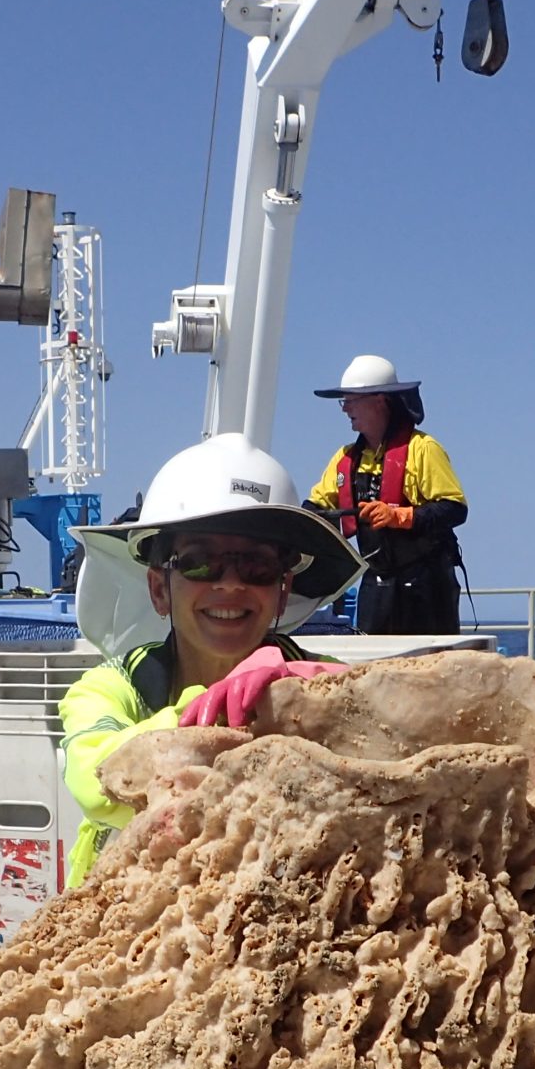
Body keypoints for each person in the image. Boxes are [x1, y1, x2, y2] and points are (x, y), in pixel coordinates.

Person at [61, 435, 364, 883]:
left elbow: (388, 718)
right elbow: (99, 781)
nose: (230, 584)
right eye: (201, 563)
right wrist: (224, 705)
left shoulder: (322, 679)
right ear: (160, 588)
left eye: (257, 567)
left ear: (282, 590)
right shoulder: (107, 689)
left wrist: (300, 686)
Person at [306, 354, 468, 635]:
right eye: (343, 401)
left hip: (427, 585)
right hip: (377, 582)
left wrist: (399, 516)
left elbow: (454, 509)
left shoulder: (423, 448)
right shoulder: (345, 458)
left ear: (380, 401)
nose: (345, 409)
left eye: (351, 400)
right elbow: (316, 506)